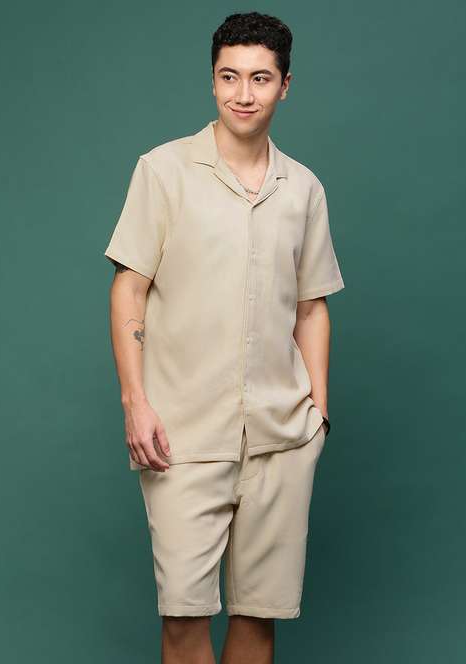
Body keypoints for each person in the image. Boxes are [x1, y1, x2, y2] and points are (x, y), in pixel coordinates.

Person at [103, 11, 345, 664]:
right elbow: (128, 289)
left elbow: (312, 307)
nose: (243, 93)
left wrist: (317, 415)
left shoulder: (304, 189)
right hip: (179, 436)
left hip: (281, 435)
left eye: (260, 78)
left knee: (259, 617)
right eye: (229, 76)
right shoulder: (163, 171)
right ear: (212, 81)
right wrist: (136, 402)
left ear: (285, 86)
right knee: (184, 616)